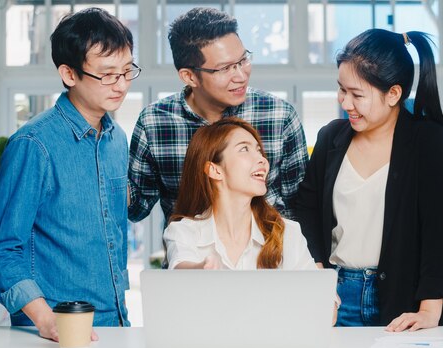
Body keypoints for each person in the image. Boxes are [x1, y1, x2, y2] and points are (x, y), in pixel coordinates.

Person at [0, 8, 139, 340]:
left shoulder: (116, 140)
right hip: (54, 328)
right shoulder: (33, 144)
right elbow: (3, 249)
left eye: (127, 71)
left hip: (114, 322)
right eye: (109, 74)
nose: (122, 85)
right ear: (69, 74)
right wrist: (45, 320)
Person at [295, 29, 443, 331]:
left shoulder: (427, 141)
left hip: (400, 302)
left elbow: (438, 229)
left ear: (393, 94)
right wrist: (316, 270)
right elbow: (305, 209)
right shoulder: (331, 137)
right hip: (336, 297)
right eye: (342, 90)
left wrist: (430, 309)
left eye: (357, 95)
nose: (346, 103)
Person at [128, 7, 308, 225]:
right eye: (225, 69)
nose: (241, 76)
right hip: (190, 256)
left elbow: (300, 208)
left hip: (269, 256)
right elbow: (136, 208)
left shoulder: (279, 115)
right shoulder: (154, 122)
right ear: (189, 76)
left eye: (243, 61)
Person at [164, 118, 316, 272]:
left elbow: (319, 291)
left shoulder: (288, 233)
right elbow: (180, 267)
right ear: (215, 170)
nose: (262, 159)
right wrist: (201, 269)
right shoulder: (183, 232)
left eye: (258, 150)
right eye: (244, 149)